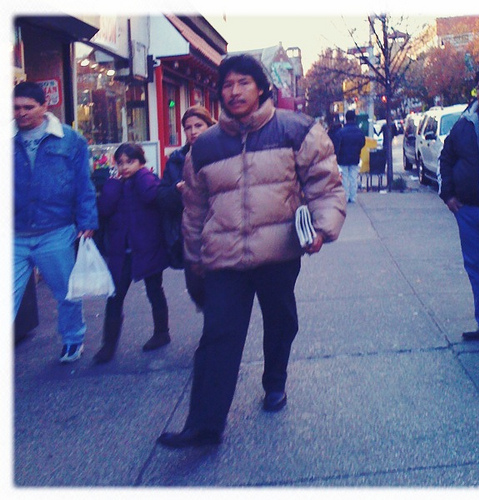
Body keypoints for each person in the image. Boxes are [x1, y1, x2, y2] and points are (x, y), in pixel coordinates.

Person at [157, 54, 346, 448]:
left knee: (280, 321)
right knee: (218, 335)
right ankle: (204, 425)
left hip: (278, 251)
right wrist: (194, 258)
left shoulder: (296, 129)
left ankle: (274, 382)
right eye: (227, 84)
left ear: (261, 87)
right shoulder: (205, 146)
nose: (234, 91)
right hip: (224, 256)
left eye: (243, 82)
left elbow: (324, 184)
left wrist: (323, 227)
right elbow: (194, 208)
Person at [13, 81, 98, 363]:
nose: (21, 113)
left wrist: (87, 221)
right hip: (13, 233)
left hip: (56, 230)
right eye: (16, 108)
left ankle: (73, 339)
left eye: (28, 107)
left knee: (66, 293)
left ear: (44, 106)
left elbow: (84, 184)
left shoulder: (70, 139)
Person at [93, 143, 170, 363]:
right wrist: (112, 185)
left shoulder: (147, 180)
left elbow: (150, 197)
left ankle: (161, 332)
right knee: (115, 297)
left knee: (154, 290)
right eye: (120, 163)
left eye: (130, 162)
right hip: (121, 251)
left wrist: (143, 173)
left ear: (141, 162)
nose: (125, 167)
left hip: (148, 248)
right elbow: (104, 209)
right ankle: (108, 344)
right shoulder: (115, 185)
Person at [439, 68, 479, 341]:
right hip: (469, 212)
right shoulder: (465, 123)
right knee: (477, 269)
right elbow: (446, 157)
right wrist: (448, 195)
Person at [156, 106, 216, 310]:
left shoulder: (223, 152)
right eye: (188, 128)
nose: (193, 132)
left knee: (220, 292)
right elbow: (162, 197)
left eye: (198, 125)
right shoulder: (177, 159)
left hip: (220, 231)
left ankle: (215, 325)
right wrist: (177, 190)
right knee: (196, 288)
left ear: (209, 125)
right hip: (190, 234)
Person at [335, 110, 366, 203]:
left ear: (346, 119)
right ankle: (353, 197)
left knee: (344, 178)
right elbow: (363, 143)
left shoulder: (341, 132)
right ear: (354, 118)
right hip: (355, 157)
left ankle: (346, 196)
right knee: (353, 178)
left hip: (343, 158)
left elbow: (337, 145)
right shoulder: (359, 131)